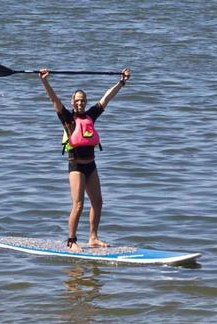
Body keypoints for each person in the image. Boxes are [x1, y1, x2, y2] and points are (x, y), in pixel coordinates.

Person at [39, 67, 131, 252]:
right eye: (77, 101)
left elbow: (107, 98)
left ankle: (93, 238)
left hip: (91, 166)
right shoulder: (67, 117)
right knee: (79, 204)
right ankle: (71, 241)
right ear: (73, 103)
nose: (80, 103)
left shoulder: (91, 115)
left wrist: (121, 82)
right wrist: (44, 81)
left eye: (83, 101)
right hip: (76, 167)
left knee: (98, 202)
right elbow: (54, 99)